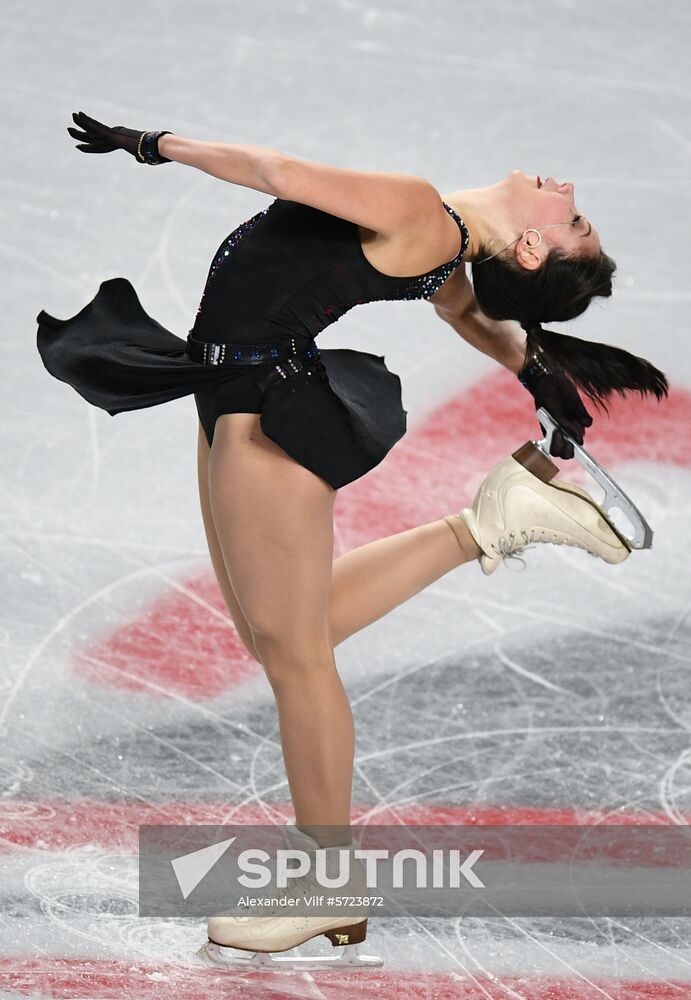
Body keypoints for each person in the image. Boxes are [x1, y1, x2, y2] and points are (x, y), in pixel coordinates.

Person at [36, 113, 668, 965]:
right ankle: (490, 520)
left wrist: (155, 144)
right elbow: (463, 314)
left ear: (527, 248)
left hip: (267, 405)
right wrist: (532, 370)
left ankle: (325, 883)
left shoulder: (418, 213)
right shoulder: (444, 241)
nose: (569, 196)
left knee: (297, 657)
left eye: (574, 222)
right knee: (277, 635)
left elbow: (276, 169)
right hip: (230, 386)